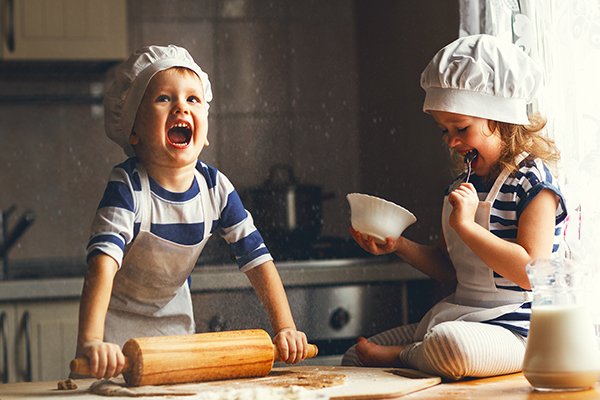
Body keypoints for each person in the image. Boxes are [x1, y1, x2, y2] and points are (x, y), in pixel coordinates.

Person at [76, 45, 309, 379]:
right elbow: (101, 265)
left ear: (206, 130)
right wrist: (91, 341)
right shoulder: (128, 187)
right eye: (164, 99)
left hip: (175, 327)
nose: (180, 107)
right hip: (113, 331)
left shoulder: (214, 188)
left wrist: (285, 327)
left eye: (192, 99)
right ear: (133, 130)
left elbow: (258, 261)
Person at [342, 34, 567, 380]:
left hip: (520, 330)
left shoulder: (533, 183)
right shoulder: (462, 186)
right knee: (354, 357)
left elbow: (530, 272)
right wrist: (398, 245)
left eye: (461, 128)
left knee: (450, 348)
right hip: (464, 316)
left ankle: (404, 355)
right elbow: (452, 268)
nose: (451, 141)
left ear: (501, 120)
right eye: (444, 130)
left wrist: (468, 227)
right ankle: (413, 353)